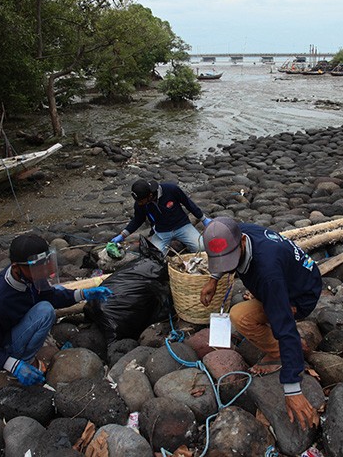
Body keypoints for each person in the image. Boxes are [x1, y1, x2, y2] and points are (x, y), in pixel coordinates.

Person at [199, 217, 322, 430]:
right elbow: (222, 251)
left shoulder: (268, 274)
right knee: (256, 306)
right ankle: (285, 345)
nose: (227, 267)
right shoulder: (238, 230)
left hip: (300, 295)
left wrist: (293, 390)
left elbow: (285, 328)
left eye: (230, 260)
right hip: (293, 276)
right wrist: (213, 279)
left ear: (243, 243)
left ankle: (282, 354)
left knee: (241, 316)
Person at [0, 234, 112, 386]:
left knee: (46, 305)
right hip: (4, 344)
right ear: (16, 268)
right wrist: (13, 365)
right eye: (38, 265)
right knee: (45, 310)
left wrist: (82, 294)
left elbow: (49, 295)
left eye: (46, 262)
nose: (44, 270)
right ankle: (24, 359)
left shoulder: (30, 275)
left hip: (17, 325)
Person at [110, 179, 211, 254]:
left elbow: (188, 203)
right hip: (161, 232)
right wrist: (123, 235)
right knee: (155, 256)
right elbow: (138, 219)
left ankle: (186, 244)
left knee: (201, 248)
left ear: (150, 195)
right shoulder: (140, 204)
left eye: (141, 201)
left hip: (182, 226)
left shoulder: (171, 189)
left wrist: (204, 219)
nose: (139, 203)